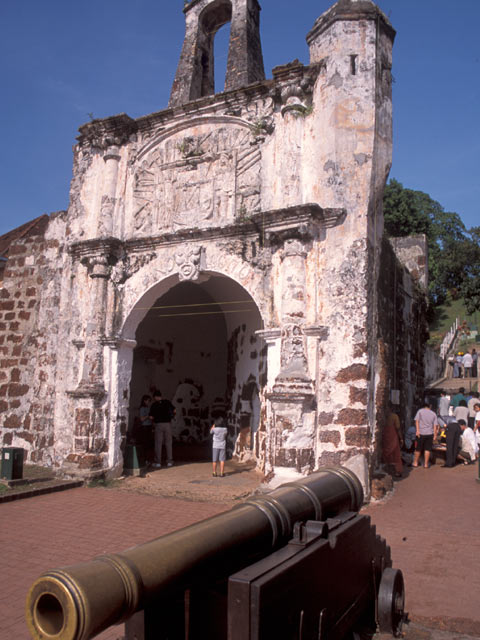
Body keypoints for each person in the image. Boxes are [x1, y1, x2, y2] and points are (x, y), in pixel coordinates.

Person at [149, 389, 175, 469]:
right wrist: (171, 417)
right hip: (167, 424)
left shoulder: (154, 405)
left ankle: (158, 462)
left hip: (159, 425)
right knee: (168, 443)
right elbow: (174, 410)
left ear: (155, 397)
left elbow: (151, 417)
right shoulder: (167, 402)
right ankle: (169, 461)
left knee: (158, 443)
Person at [413, 401, 438, 469]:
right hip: (430, 434)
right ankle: (426, 464)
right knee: (427, 449)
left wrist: (417, 431)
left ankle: (415, 463)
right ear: (430, 406)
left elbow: (416, 421)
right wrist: (435, 435)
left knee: (418, 449)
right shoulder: (433, 414)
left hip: (421, 433)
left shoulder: (420, 411)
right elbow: (435, 425)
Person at [382, 408, 403, 477]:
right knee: (396, 453)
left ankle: (387, 469)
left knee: (386, 452)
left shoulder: (383, 416)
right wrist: (401, 438)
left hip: (385, 436)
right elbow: (398, 427)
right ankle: (397, 471)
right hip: (392, 435)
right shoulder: (394, 416)